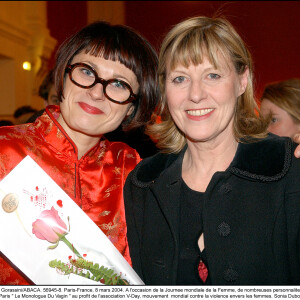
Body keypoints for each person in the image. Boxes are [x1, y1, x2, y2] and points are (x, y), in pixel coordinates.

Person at [124, 16, 300, 285]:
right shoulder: (144, 183)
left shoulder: (288, 169)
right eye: (180, 78)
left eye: (213, 75)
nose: (195, 94)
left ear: (242, 81)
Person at [0, 21, 158, 285]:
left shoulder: (133, 169)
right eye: (86, 71)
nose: (97, 92)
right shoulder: (5, 150)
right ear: (63, 75)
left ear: (132, 108)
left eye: (119, 84)